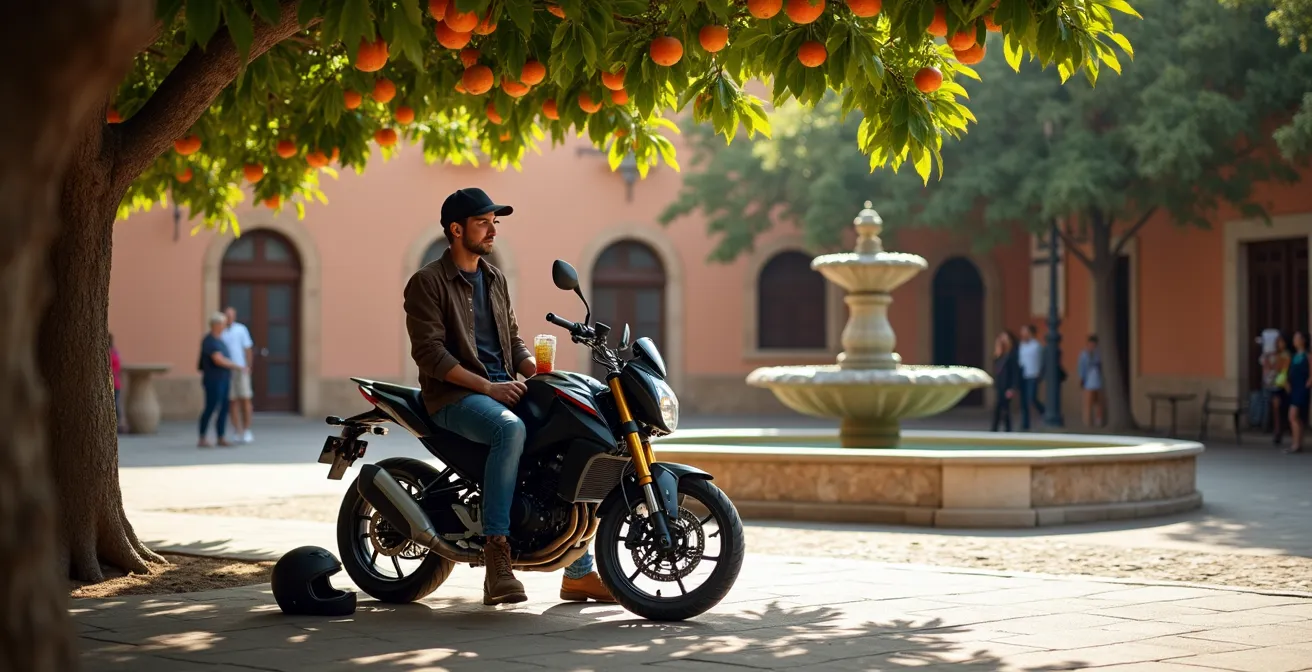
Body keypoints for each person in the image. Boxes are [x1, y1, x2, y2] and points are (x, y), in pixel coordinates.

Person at [403, 187, 614, 606]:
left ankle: (578, 571)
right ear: (456, 229)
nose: (492, 230)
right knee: (509, 430)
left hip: (504, 386)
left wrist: (534, 371)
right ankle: (496, 552)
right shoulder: (427, 282)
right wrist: (488, 386)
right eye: (483, 222)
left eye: (494, 222)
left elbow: (511, 339)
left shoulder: (494, 278)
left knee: (574, 433)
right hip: (454, 397)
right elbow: (430, 354)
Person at [199, 312, 243, 447]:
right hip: (213, 379)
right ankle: (202, 437)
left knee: (224, 407)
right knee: (211, 407)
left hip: (224, 378)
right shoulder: (210, 341)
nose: (225, 326)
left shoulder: (220, 340)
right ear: (216, 325)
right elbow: (218, 360)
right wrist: (236, 366)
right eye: (223, 323)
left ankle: (220, 436)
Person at [222, 306, 256, 443]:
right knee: (232, 401)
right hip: (227, 370)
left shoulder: (241, 329)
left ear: (234, 317)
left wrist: (248, 365)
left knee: (245, 399)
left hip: (241, 369)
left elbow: (248, 348)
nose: (229, 318)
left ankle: (247, 430)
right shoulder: (221, 330)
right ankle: (237, 430)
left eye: (231, 315)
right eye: (227, 315)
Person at [1262, 332, 1292, 444]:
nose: (1279, 344)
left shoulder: (1286, 355)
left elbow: (1281, 368)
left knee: (1282, 407)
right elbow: (1268, 367)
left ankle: (1281, 429)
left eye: (1281, 342)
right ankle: (1277, 430)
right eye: (1278, 342)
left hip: (1283, 383)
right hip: (1274, 384)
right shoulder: (1272, 354)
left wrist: (1275, 361)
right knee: (1275, 407)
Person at [990, 331, 1021, 432]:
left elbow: (1015, 373)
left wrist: (1012, 388)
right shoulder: (999, 356)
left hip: (1007, 387)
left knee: (1002, 408)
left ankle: (998, 429)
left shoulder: (1012, 356)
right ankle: (1004, 429)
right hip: (1000, 386)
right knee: (1001, 408)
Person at [1016, 324, 1046, 430]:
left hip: (1033, 375)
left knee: (1031, 397)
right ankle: (1025, 424)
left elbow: (1042, 361)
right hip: (1023, 375)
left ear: (1031, 333)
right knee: (1023, 400)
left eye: (1025, 332)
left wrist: (1040, 372)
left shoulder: (1037, 346)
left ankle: (1044, 411)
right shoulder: (1021, 346)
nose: (1023, 334)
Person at [1285, 330, 1310, 454]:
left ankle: (1296, 444)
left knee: (1293, 415)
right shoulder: (1294, 356)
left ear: (1303, 340)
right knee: (1296, 418)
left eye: (1297, 338)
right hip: (1294, 388)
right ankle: (1297, 442)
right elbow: (1290, 371)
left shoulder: (1308, 356)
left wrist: (1308, 384)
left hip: (1302, 388)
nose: (1295, 340)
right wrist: (1288, 382)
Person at [1078, 334, 1105, 428]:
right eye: (1090, 344)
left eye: (1093, 345)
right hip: (1088, 382)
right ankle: (1087, 423)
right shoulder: (1084, 354)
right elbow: (1081, 367)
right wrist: (1082, 378)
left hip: (1099, 381)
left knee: (1099, 403)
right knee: (1088, 404)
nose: (1091, 346)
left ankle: (1099, 421)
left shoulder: (1099, 354)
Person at [110, 332, 126, 434]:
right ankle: (118, 424)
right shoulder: (115, 352)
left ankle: (117, 424)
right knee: (116, 403)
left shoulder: (111, 353)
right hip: (115, 382)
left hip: (113, 382)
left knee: (115, 404)